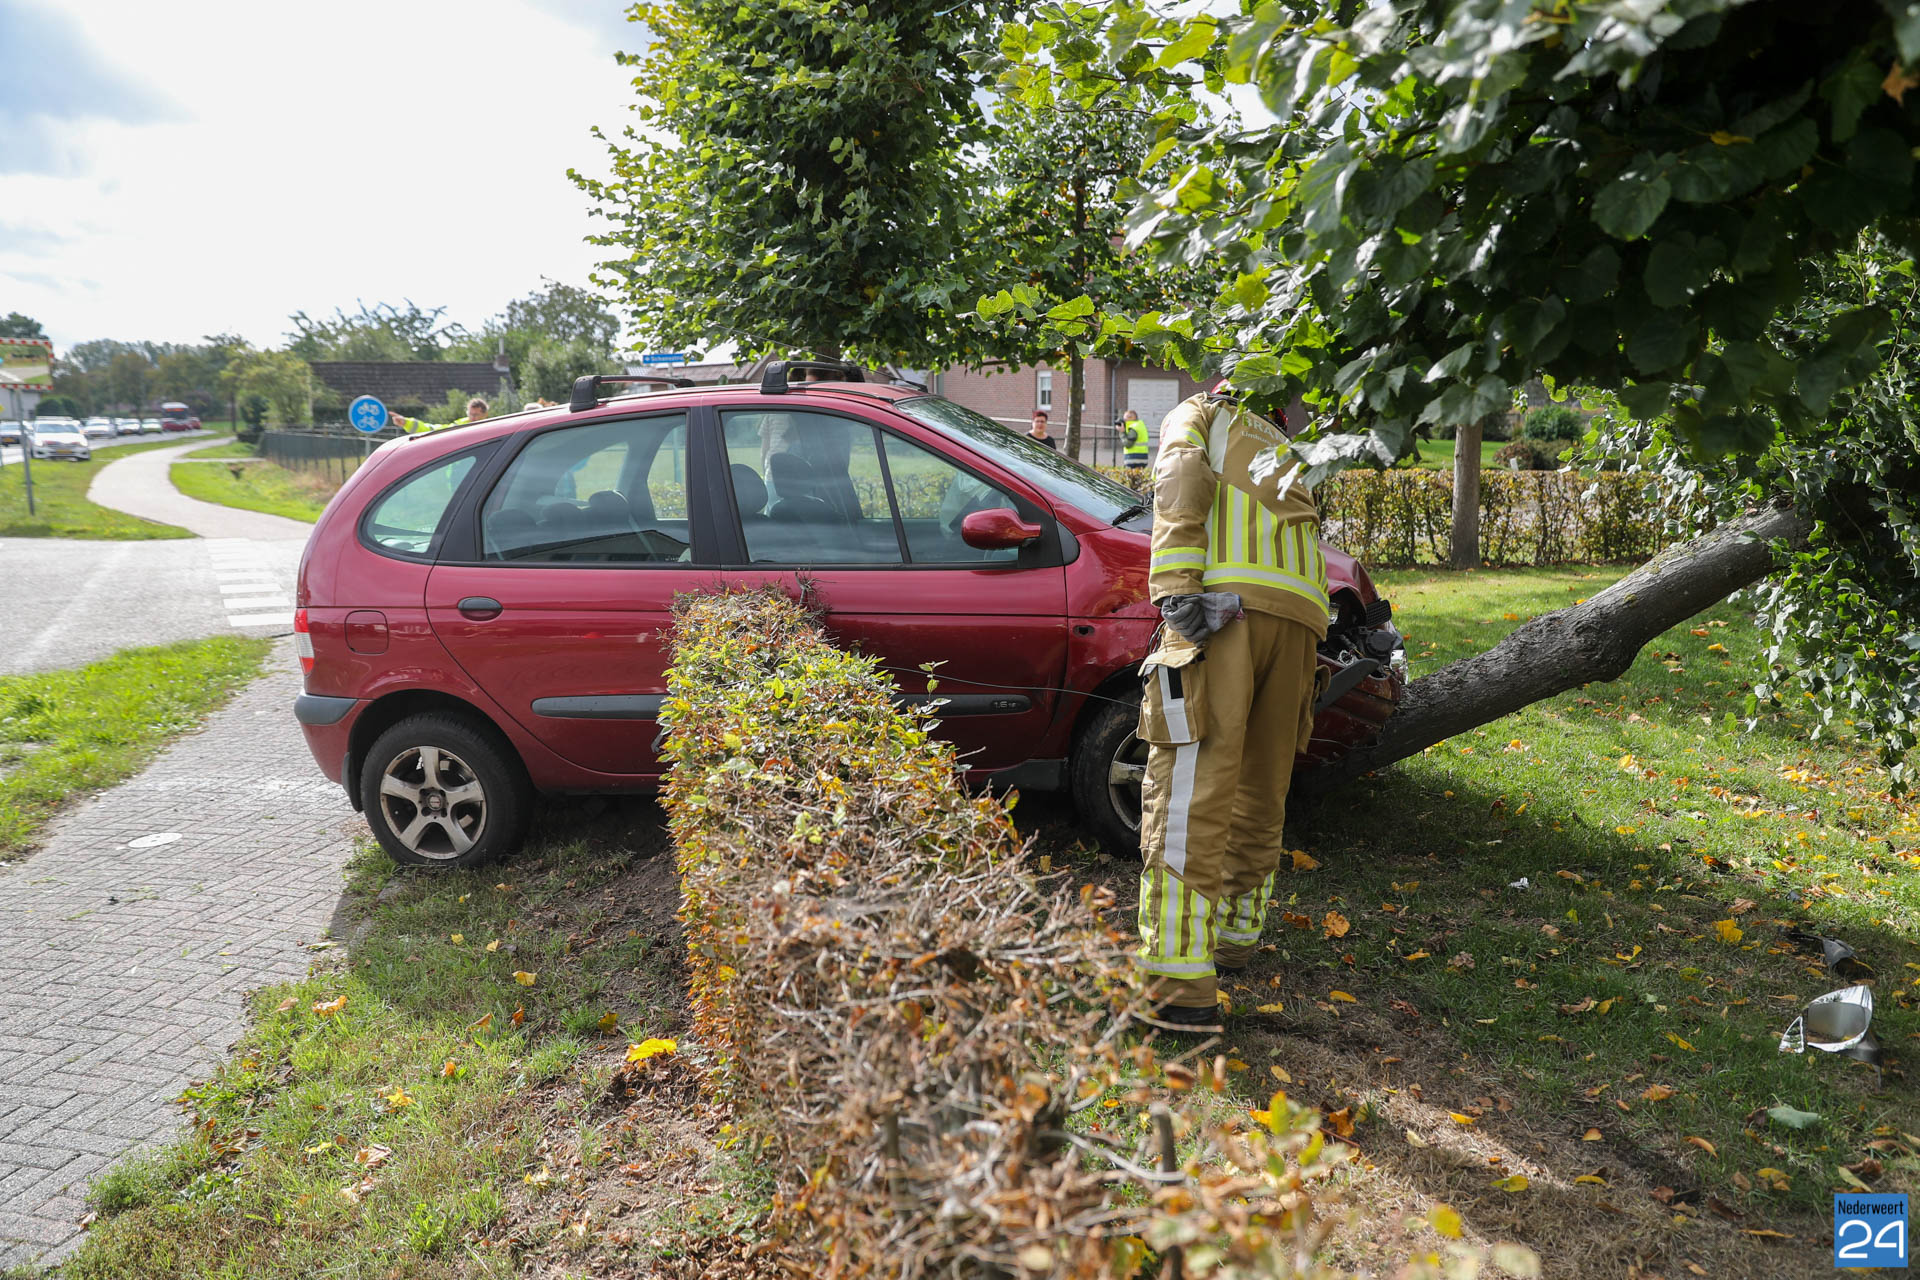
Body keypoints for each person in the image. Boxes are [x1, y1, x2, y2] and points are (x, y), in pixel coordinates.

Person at [1135, 383, 1328, 1028]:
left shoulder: (1204, 414)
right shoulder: (1285, 442)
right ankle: (1234, 941)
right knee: (1260, 789)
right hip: (1299, 621)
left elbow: (1179, 474)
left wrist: (1175, 584)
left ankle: (1176, 984)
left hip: (1224, 611)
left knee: (1192, 787)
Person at [393, 396, 489, 435]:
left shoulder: (491, 429)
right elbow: (433, 430)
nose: (472, 417)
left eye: (476, 414)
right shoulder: (460, 426)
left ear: (485, 415)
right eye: (470, 414)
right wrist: (407, 423)